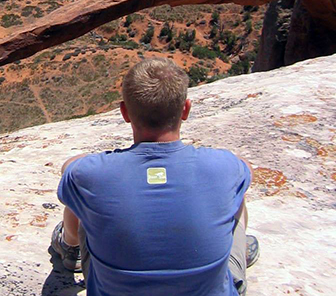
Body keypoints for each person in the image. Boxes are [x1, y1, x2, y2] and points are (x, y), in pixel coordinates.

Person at [51, 58, 259, 296]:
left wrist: (94, 159)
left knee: (81, 194)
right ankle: (237, 253)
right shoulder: (224, 167)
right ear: (186, 110)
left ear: (125, 112)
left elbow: (69, 169)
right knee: (237, 190)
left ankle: (70, 250)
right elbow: (247, 170)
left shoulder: (90, 174)